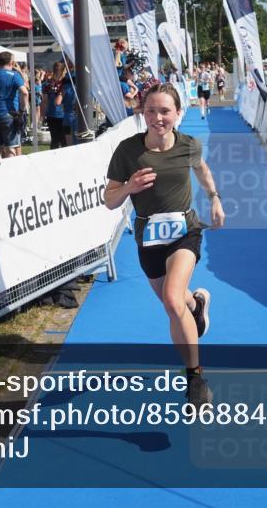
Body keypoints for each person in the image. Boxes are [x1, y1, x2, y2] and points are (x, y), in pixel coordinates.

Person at [104, 84, 225, 409]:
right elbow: (109, 200)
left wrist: (215, 199)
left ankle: (196, 379)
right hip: (149, 239)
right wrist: (129, 187)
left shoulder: (188, 145)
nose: (158, 118)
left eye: (165, 111)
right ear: (143, 113)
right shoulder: (128, 151)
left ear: (178, 114)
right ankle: (196, 304)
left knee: (172, 301)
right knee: (177, 301)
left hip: (185, 231)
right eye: (151, 111)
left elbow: (202, 171)